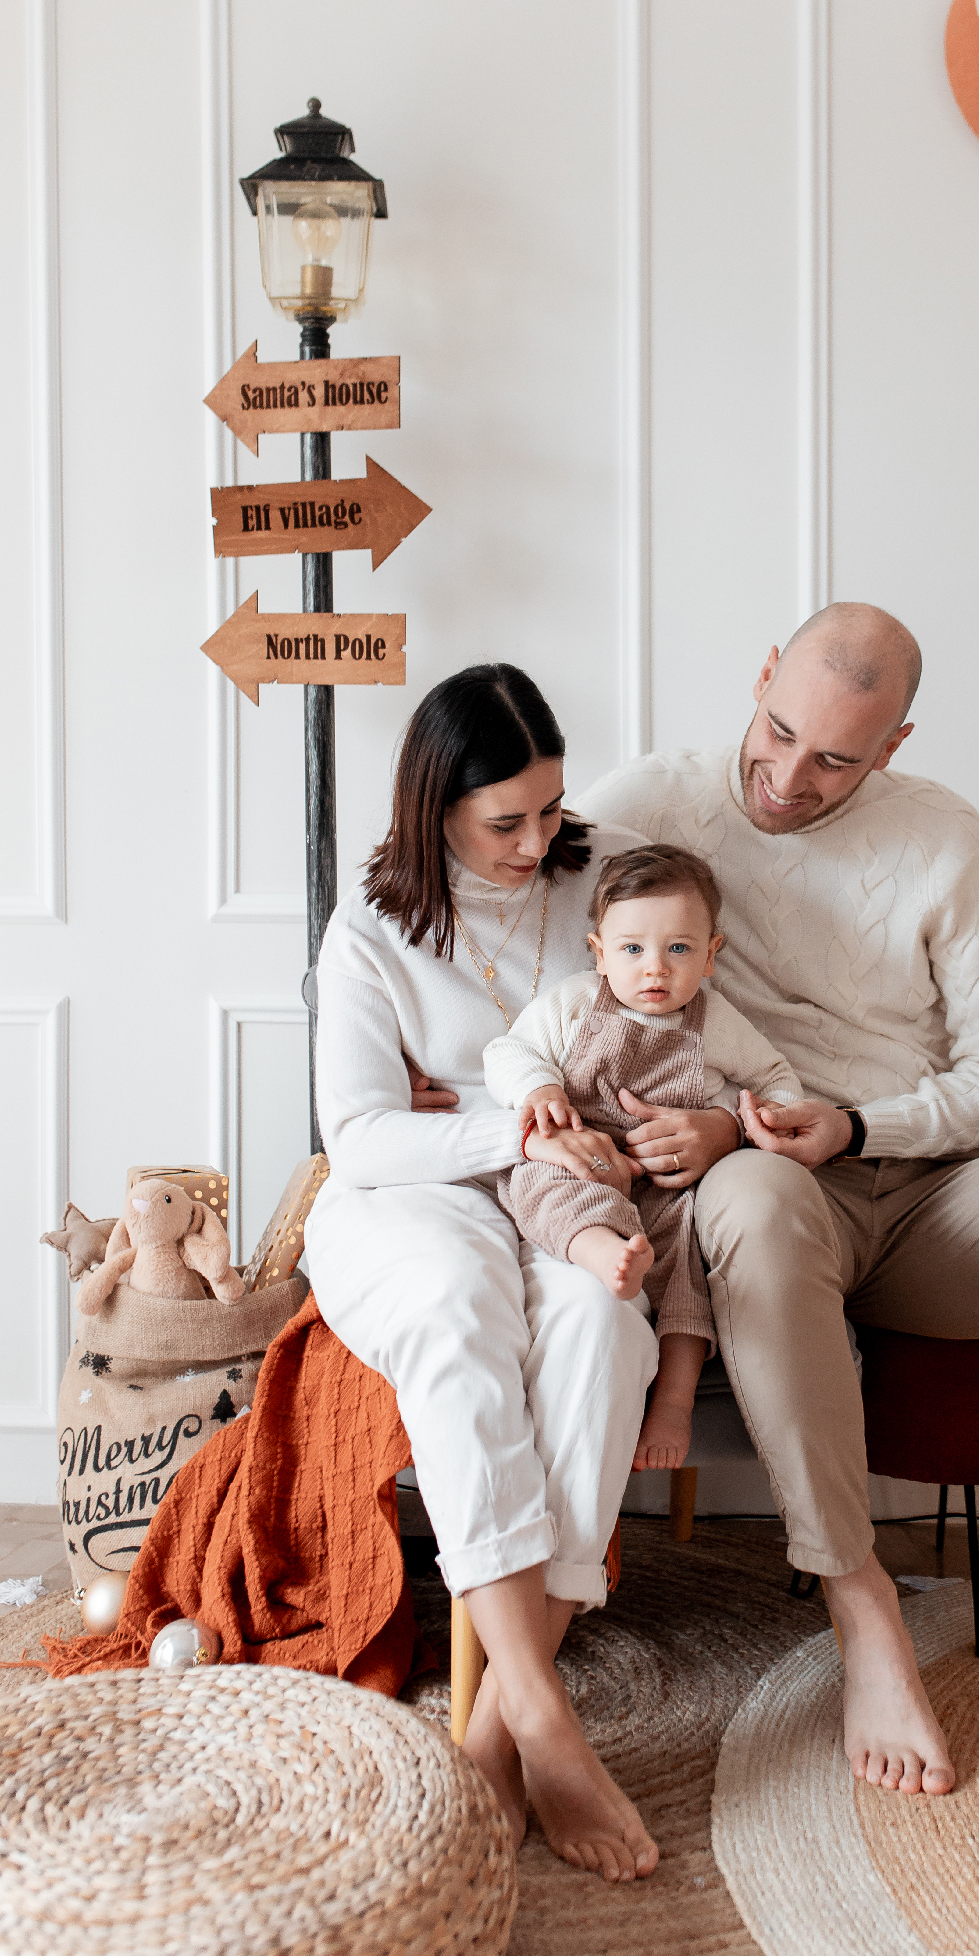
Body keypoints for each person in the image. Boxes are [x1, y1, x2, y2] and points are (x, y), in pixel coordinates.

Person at [576, 601, 979, 1799]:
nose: (789, 779)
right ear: (762, 673)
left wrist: (861, 1125)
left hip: (927, 1184)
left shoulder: (942, 837)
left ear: (895, 745)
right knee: (754, 1202)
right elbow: (520, 924)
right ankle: (863, 1607)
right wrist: (460, 1069)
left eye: (836, 759)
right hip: (771, 1183)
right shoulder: (647, 802)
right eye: (780, 732)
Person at [302, 663, 662, 1883]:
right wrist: (504, 1129)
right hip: (412, 1197)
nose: (536, 841)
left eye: (551, 808)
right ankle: (550, 1720)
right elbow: (362, 1139)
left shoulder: (594, 877)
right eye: (505, 820)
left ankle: (499, 1727)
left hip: (561, 1195)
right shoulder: (372, 929)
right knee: (460, 1309)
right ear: (435, 806)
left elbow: (665, 1002)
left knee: (605, 1324)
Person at [484, 843, 802, 1471]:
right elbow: (507, 1053)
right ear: (599, 952)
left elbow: (778, 1081)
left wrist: (732, 1121)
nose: (655, 968)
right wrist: (539, 1088)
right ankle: (600, 1250)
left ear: (711, 954)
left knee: (689, 1268)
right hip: (580, 1158)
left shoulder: (714, 1022)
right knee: (545, 1183)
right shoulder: (576, 1003)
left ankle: (675, 1401)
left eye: (679, 949)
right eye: (632, 949)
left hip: (666, 1183)